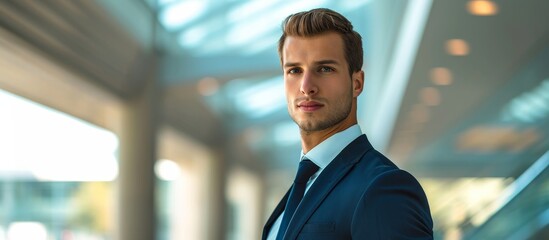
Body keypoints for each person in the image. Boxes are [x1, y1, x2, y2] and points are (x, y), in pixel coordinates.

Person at [262, 8, 433, 240]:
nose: (306, 86)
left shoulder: (383, 188)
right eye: (294, 70)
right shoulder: (301, 188)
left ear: (357, 83)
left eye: (324, 69)